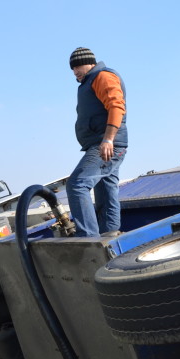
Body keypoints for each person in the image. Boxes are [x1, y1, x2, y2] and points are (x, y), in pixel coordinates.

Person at [65, 46, 129, 237]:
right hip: (105, 144)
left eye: (78, 66)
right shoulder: (89, 81)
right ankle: (110, 236)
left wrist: (108, 139)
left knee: (77, 185)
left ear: (89, 64)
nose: (75, 71)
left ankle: (88, 241)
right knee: (106, 192)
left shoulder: (102, 76)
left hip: (107, 145)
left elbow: (116, 106)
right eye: (72, 68)